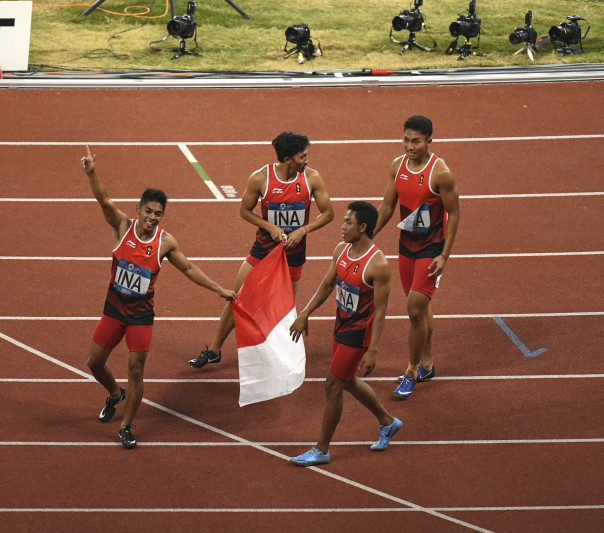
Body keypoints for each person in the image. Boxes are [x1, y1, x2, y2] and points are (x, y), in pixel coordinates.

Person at [80, 146, 236, 449]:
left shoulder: (165, 242)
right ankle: (115, 394)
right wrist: (92, 174)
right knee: (94, 362)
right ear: (139, 209)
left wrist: (219, 289)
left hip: (140, 316)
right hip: (114, 309)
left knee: (136, 370)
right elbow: (104, 200)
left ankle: (126, 427)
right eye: (149, 211)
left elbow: (188, 268)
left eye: (158, 214)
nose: (153, 217)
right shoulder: (122, 226)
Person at [189, 131, 334, 369]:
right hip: (263, 249)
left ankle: (282, 358)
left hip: (293, 254)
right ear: (287, 159)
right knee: (237, 297)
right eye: (302, 156)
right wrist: (269, 227)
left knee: (284, 310)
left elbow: (328, 214)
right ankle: (214, 350)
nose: (307, 160)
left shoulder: (312, 178)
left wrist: (303, 230)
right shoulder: (260, 179)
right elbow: (245, 211)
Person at [288, 201, 401, 466]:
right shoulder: (341, 250)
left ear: (362, 227)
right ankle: (387, 421)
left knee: (332, 384)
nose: (342, 226)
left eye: (348, 222)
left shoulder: (378, 265)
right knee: (347, 380)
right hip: (340, 325)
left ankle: (322, 449)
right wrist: (305, 313)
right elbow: (328, 285)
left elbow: (381, 311)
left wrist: (373, 349)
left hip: (359, 333)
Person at [373, 115, 459, 400]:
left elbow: (454, 214)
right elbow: (387, 206)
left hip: (431, 250)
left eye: (416, 142)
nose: (410, 146)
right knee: (420, 310)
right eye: (406, 140)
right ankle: (427, 365)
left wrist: (444, 255)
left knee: (413, 310)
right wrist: (367, 236)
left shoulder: (440, 173)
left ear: (429, 141)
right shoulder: (397, 166)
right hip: (407, 246)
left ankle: (411, 372)